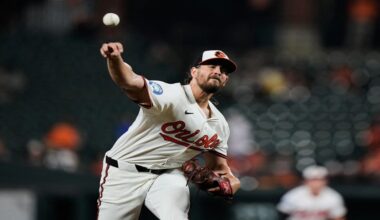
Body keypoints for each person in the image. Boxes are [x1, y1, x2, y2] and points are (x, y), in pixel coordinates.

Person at [97, 42, 241, 220]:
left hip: (169, 174)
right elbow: (130, 81)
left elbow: (220, 169)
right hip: (125, 171)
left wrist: (231, 184)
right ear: (194, 72)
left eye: (224, 71)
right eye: (212, 66)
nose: (219, 71)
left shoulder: (219, 124)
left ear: (225, 81)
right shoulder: (171, 95)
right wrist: (115, 59)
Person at [277, 165, 347, 220]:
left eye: (320, 179)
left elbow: (338, 217)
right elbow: (282, 214)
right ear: (305, 181)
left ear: (326, 181)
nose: (316, 183)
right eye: (313, 179)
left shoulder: (333, 197)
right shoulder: (293, 195)